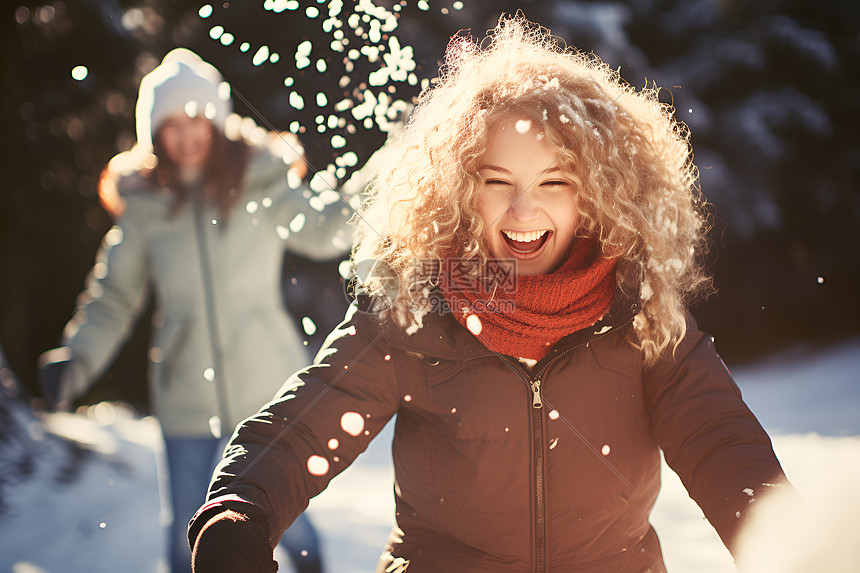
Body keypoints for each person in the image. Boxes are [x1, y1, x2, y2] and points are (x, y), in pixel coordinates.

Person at [186, 16, 793, 573]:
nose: (523, 209)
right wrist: (239, 515)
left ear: (598, 195)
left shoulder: (639, 312)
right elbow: (306, 427)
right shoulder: (415, 310)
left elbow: (720, 442)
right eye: (497, 181)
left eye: (554, 182)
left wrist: (786, 543)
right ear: (458, 189)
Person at [37, 48, 352, 573]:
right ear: (154, 135)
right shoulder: (145, 207)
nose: (185, 136)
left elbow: (325, 229)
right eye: (171, 125)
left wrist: (389, 177)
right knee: (189, 532)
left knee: (289, 521)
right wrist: (77, 360)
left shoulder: (260, 181)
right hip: (186, 399)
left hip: (264, 390)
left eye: (196, 120)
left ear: (217, 120)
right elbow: (114, 296)